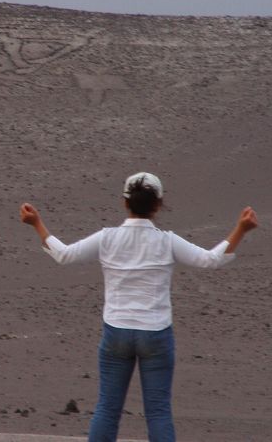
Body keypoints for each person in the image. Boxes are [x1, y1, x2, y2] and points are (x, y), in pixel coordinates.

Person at [19, 172, 258, 442]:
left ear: (125, 203)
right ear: (158, 205)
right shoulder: (167, 241)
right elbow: (210, 260)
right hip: (156, 334)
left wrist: (36, 223)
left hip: (116, 333)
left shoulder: (107, 238)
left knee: (108, 409)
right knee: (158, 412)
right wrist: (241, 229)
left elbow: (64, 255)